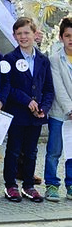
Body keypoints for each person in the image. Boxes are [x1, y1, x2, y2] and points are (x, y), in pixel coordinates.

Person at [0, 17, 53, 203]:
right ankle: (10, 185)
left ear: (34, 34)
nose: (23, 36)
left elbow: (48, 88)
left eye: (26, 33)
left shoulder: (43, 60)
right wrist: (26, 100)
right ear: (14, 36)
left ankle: (28, 185)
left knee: (31, 151)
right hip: (17, 114)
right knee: (14, 150)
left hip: (36, 116)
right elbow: (8, 87)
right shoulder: (9, 59)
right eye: (19, 33)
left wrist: (44, 108)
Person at [46, 16, 72, 202]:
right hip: (60, 114)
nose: (71, 39)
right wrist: (70, 109)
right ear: (61, 37)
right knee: (54, 151)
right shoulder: (55, 59)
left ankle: (71, 184)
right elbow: (59, 87)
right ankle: (52, 184)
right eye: (68, 35)